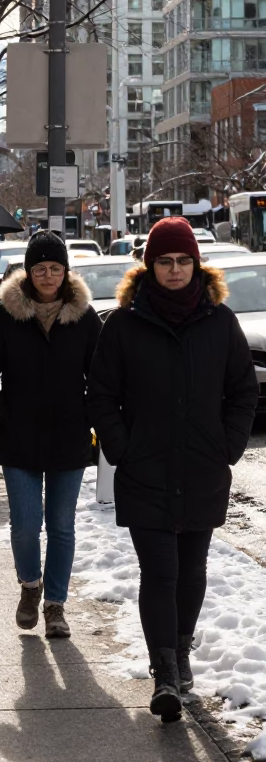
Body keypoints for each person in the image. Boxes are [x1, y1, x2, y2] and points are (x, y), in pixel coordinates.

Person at [88, 217, 257, 722]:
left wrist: (226, 446)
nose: (176, 270)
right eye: (166, 261)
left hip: (203, 469)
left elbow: (243, 392)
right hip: (146, 471)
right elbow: (101, 395)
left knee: (192, 571)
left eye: (184, 261)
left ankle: (181, 653)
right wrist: (123, 448)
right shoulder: (122, 325)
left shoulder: (220, 322)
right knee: (159, 571)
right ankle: (164, 674)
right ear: (149, 267)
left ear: (197, 266)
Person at [0, 231, 102, 639]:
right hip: (19, 436)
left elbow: (103, 377)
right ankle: (30, 586)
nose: (48, 276)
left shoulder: (84, 317)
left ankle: (56, 605)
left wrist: (90, 416)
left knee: (61, 526)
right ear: (28, 271)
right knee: (26, 524)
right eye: (40, 268)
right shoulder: (7, 316)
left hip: (69, 436)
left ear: (66, 271)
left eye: (55, 268)